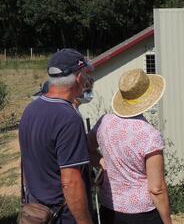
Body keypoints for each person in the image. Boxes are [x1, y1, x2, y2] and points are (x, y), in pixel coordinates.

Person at [19, 49, 94, 224]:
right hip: (61, 215)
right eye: (85, 74)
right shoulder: (68, 118)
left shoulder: (31, 109)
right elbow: (71, 183)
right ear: (78, 78)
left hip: (36, 211)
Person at [87, 68, 172, 224]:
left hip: (109, 207)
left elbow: (86, 148)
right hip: (142, 212)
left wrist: (101, 163)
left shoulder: (104, 122)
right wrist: (167, 221)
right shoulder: (150, 135)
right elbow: (156, 188)